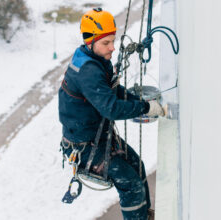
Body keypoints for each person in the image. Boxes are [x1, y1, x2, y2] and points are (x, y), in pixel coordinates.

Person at [58, 8, 165, 220]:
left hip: (99, 138)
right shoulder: (88, 71)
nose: (112, 48)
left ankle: (144, 216)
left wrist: (140, 102)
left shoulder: (95, 59)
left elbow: (114, 91)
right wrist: (145, 108)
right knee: (131, 185)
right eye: (106, 43)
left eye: (113, 41)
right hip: (87, 148)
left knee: (138, 167)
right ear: (90, 41)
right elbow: (111, 108)